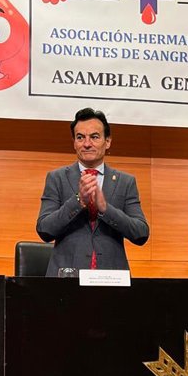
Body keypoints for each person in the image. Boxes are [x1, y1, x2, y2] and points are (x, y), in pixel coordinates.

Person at [36, 107, 149, 276]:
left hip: (111, 279)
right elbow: (45, 230)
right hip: (67, 278)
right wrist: (78, 201)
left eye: (94, 137)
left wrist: (105, 209)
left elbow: (141, 233)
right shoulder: (56, 178)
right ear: (74, 143)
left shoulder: (125, 182)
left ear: (107, 141)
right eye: (80, 137)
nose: (87, 144)